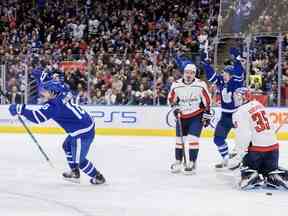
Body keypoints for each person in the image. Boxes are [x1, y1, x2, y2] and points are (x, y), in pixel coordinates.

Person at [8, 80, 105, 185]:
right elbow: (59, 84)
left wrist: (20, 109)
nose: (42, 92)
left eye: (45, 91)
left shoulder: (54, 106)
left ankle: (98, 177)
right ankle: (74, 172)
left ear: (53, 92)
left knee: (80, 161)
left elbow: (37, 117)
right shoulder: (63, 93)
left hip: (81, 133)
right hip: (84, 125)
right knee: (67, 146)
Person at [229, 87, 288, 190]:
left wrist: (238, 157)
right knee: (268, 168)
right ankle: (273, 174)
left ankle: (251, 175)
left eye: (237, 97)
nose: (235, 99)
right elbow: (272, 127)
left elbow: (244, 137)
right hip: (274, 150)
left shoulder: (239, 112)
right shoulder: (258, 104)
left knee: (240, 163)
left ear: (244, 97)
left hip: (256, 153)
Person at [202, 48, 245, 169]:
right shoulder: (221, 81)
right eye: (223, 74)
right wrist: (206, 64)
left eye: (225, 74)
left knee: (243, 141)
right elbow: (212, 76)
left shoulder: (236, 82)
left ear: (231, 75)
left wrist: (237, 60)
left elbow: (239, 72)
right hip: (225, 116)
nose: (223, 76)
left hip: (238, 115)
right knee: (218, 138)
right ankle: (226, 158)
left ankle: (245, 161)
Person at [168, 63, 212, 174]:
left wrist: (207, 115)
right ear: (183, 73)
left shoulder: (200, 85)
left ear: (195, 74)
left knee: (193, 139)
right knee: (179, 140)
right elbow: (171, 99)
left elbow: (207, 101)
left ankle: (192, 162)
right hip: (181, 116)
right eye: (187, 72)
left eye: (192, 73)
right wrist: (175, 109)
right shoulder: (176, 85)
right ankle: (178, 161)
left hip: (196, 115)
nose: (189, 75)